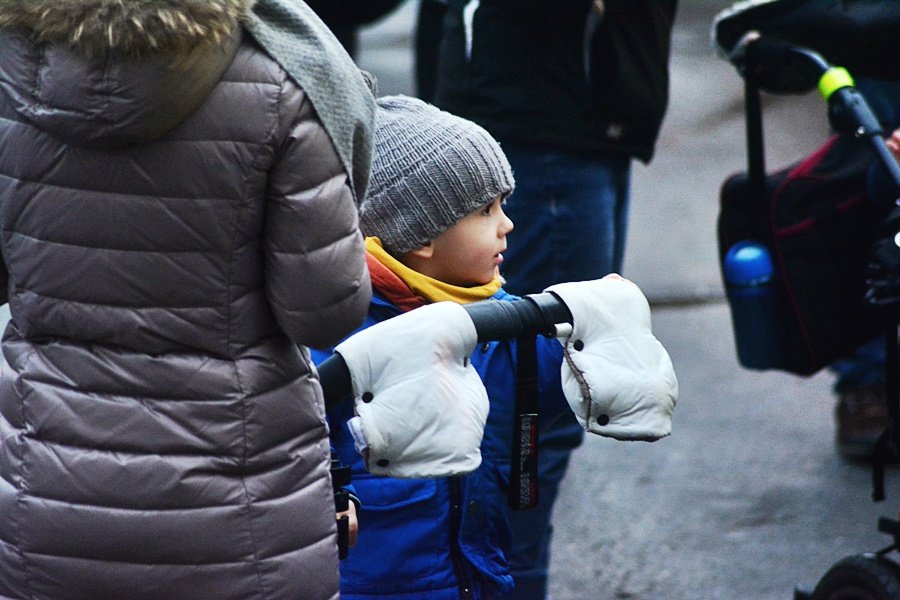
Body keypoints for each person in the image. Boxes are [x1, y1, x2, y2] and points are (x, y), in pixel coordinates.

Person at [0, 1, 375, 597]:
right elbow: (324, 310)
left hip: (46, 492)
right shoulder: (288, 76)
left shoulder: (11, 70)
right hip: (238, 498)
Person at [314, 94, 676, 599]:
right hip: (381, 583)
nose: (507, 223)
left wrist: (595, 341)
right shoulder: (338, 335)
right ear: (422, 237)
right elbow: (300, 445)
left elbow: (539, 385)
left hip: (475, 568)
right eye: (486, 210)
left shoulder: (493, 315)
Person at [427, 2, 678, 596]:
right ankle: (503, 584)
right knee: (535, 408)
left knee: (539, 403)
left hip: (582, 122)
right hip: (541, 129)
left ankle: (497, 578)